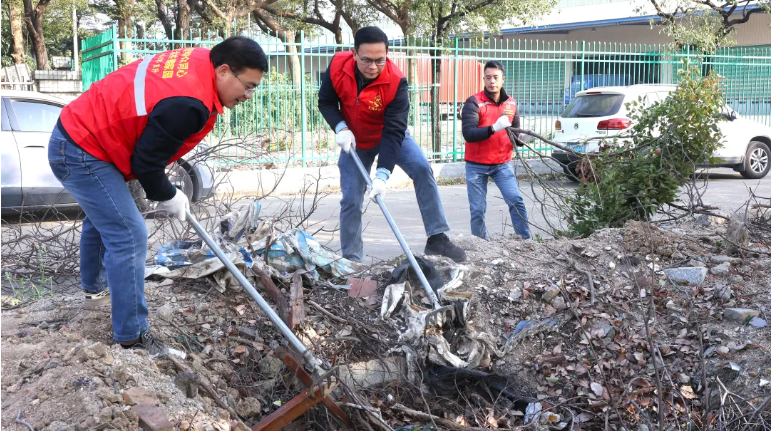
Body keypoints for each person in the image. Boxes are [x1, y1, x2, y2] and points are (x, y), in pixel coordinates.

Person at [48, 37, 268, 356]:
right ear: (223, 71)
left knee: (108, 218)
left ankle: (96, 293)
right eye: (247, 86)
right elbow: (147, 164)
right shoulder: (189, 103)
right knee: (129, 234)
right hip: (82, 148)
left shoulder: (201, 61)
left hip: (86, 134)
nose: (248, 96)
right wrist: (169, 193)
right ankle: (133, 337)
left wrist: (164, 188)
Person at [318, 26, 466, 263]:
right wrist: (340, 127)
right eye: (366, 60)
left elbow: (394, 131)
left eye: (380, 60)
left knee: (421, 168)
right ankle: (352, 260)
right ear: (354, 54)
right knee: (351, 199)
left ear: (387, 54)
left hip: (389, 134)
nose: (373, 67)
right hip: (355, 141)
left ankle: (437, 238)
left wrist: (382, 174)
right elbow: (325, 102)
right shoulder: (337, 65)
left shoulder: (396, 82)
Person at [461, 60, 531, 240]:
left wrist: (522, 140)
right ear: (483, 79)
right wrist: (493, 128)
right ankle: (481, 245)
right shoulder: (474, 102)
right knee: (478, 209)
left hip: (502, 164)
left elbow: (514, 134)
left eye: (496, 77)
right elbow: (469, 134)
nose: (492, 81)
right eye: (488, 77)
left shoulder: (511, 104)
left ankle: (525, 241)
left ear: (503, 79)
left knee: (516, 200)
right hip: (476, 165)